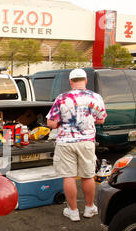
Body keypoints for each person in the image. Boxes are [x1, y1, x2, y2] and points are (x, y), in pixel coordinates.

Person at [46, 68, 107, 222]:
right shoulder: (96, 97)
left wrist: (63, 122)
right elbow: (101, 119)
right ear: (85, 81)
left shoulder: (62, 98)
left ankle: (73, 211)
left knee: (69, 176)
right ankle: (89, 208)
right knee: (87, 176)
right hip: (87, 142)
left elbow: (51, 123)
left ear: (71, 82)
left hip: (66, 142)